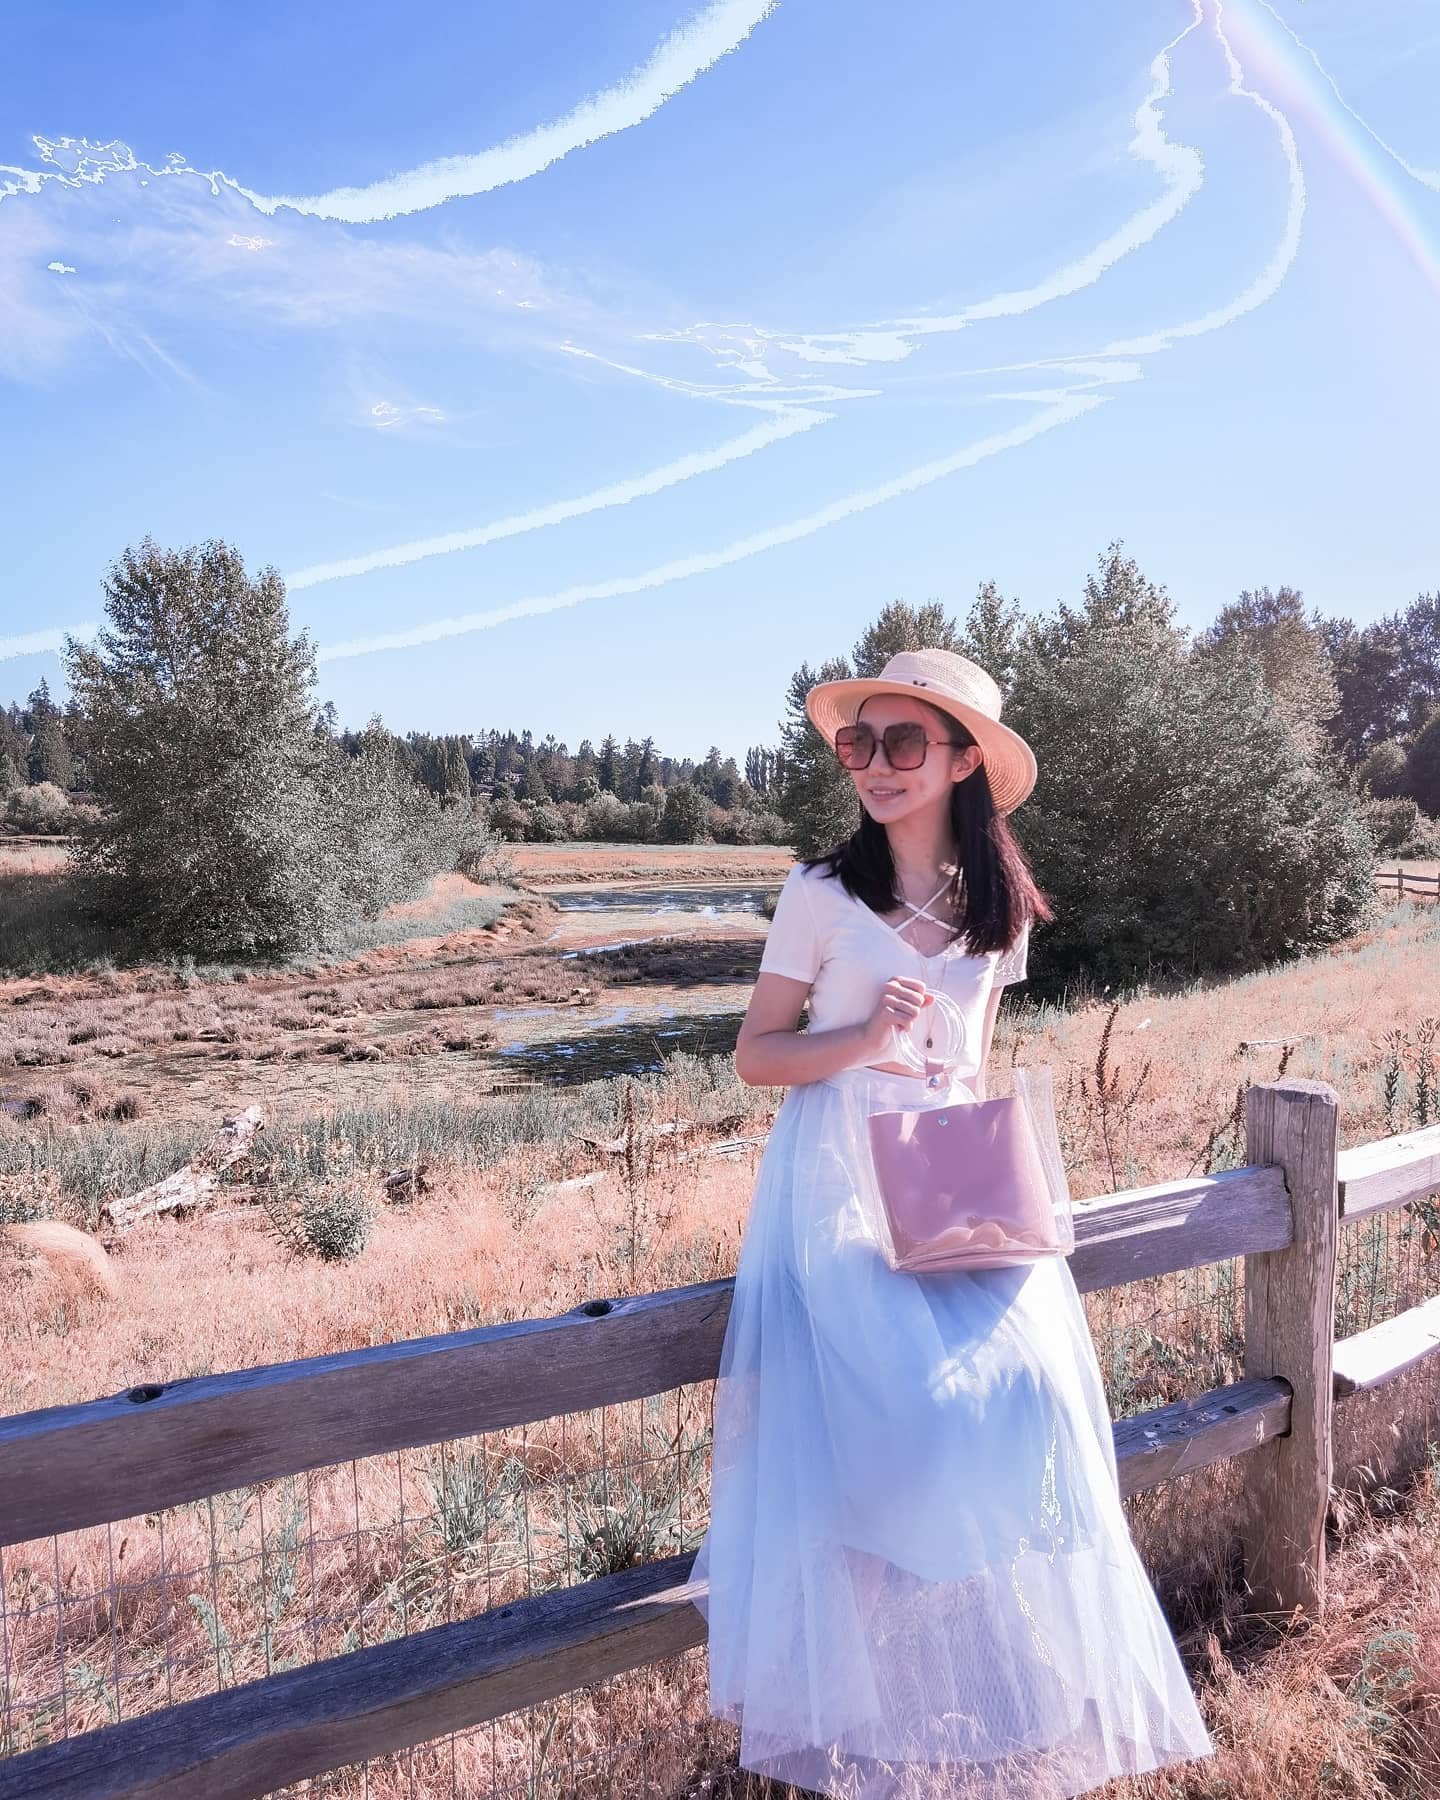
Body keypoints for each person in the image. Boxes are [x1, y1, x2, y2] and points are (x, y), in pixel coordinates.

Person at [688, 649, 1215, 1798]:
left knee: (1039, 1392)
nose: (874, 765)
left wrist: (980, 1163)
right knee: (908, 1411)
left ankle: (968, 1658)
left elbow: (969, 1065)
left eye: (902, 742)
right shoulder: (819, 893)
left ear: (964, 761)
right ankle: (842, 1690)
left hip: (950, 1177)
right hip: (833, 1182)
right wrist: (861, 1040)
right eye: (858, 742)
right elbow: (755, 1056)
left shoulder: (996, 909)